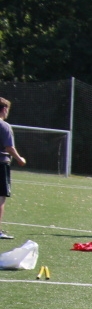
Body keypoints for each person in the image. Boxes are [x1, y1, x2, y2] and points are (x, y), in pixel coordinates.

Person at [0, 98, 27, 239]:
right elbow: (9, 147)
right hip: (1, 164)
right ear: (4, 109)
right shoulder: (4, 126)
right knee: (0, 197)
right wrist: (19, 159)